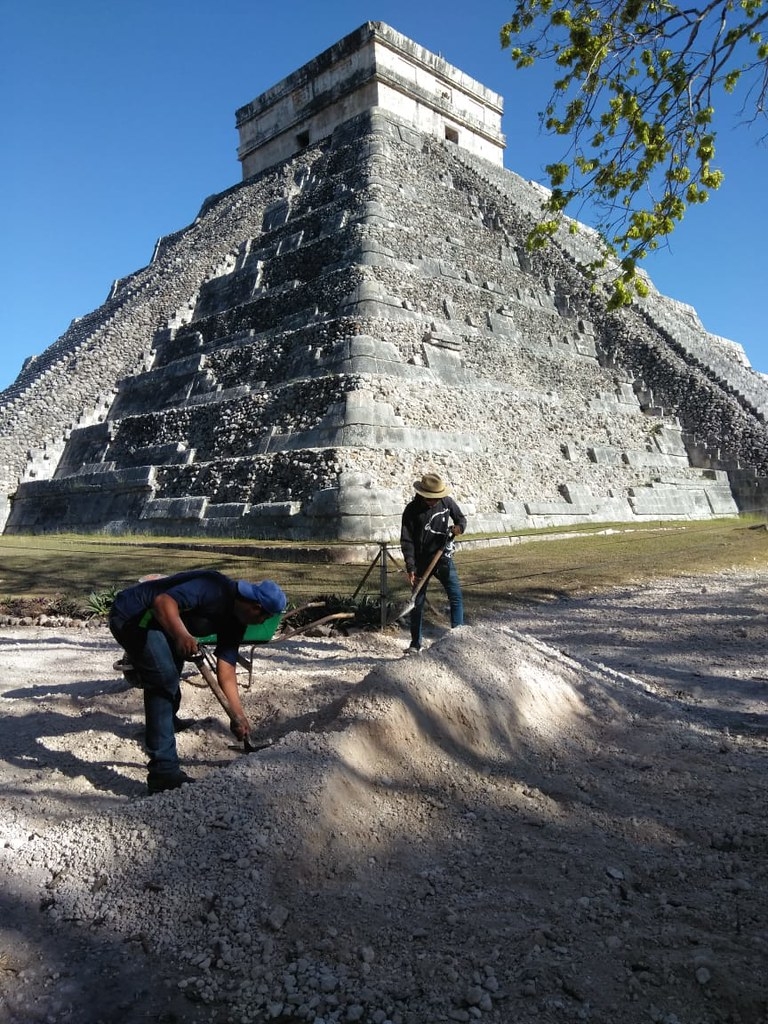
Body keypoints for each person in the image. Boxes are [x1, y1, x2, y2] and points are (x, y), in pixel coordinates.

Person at [108, 569, 287, 794]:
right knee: (163, 679)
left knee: (171, 669)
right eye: (265, 618)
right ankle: (163, 773)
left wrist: (237, 714)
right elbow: (163, 602)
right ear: (256, 608)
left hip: (158, 624)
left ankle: (165, 723)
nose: (262, 622)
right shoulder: (213, 587)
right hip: (132, 616)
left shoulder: (236, 622)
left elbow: (227, 668)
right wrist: (182, 635)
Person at [399, 472, 466, 654]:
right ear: (422, 494)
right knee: (417, 603)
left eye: (437, 498)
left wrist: (458, 528)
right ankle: (415, 644)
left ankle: (458, 638)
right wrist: (411, 566)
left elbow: (461, 519)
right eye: (431, 499)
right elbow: (407, 541)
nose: (434, 501)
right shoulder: (411, 511)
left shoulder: (446, 502)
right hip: (421, 562)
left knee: (455, 596)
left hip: (443, 558)